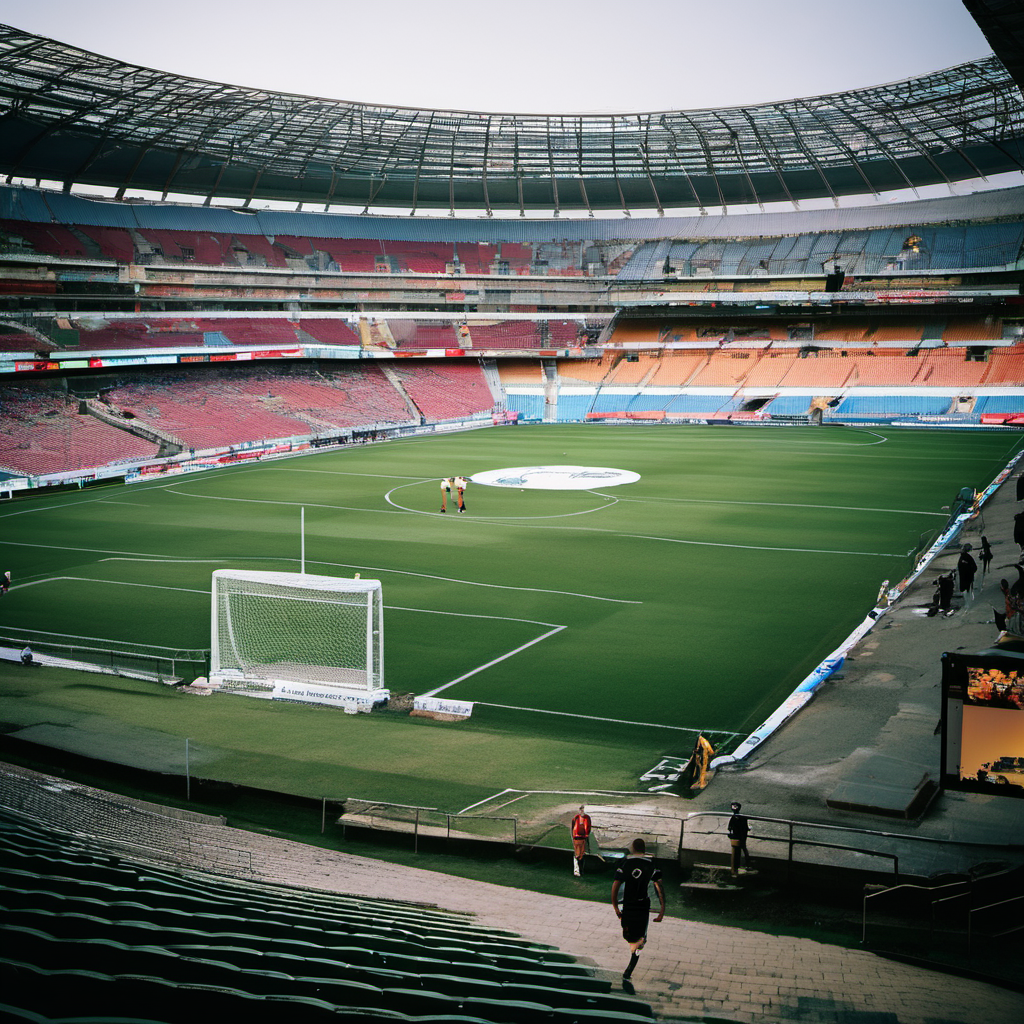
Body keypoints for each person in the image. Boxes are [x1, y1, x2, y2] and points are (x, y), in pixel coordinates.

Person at [611, 838, 664, 981]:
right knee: (640, 938)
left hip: (629, 906)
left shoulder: (626, 863)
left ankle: (629, 967)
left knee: (630, 935)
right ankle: (632, 963)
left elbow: (615, 886)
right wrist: (661, 911)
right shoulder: (652, 865)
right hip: (642, 908)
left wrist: (616, 906)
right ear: (644, 849)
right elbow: (660, 888)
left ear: (633, 848)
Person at [727, 801, 752, 877]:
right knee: (743, 849)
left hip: (737, 836)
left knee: (740, 850)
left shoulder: (736, 818)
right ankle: (745, 864)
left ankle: (735, 869)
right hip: (740, 836)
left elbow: (729, 827)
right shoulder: (742, 818)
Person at [570, 805, 592, 875]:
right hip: (576, 838)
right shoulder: (576, 817)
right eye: (581, 810)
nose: (582, 812)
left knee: (582, 854)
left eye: (583, 810)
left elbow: (588, 827)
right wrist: (573, 835)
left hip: (583, 838)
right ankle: (577, 871)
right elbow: (573, 826)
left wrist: (587, 835)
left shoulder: (587, 818)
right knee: (577, 854)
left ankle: (581, 870)